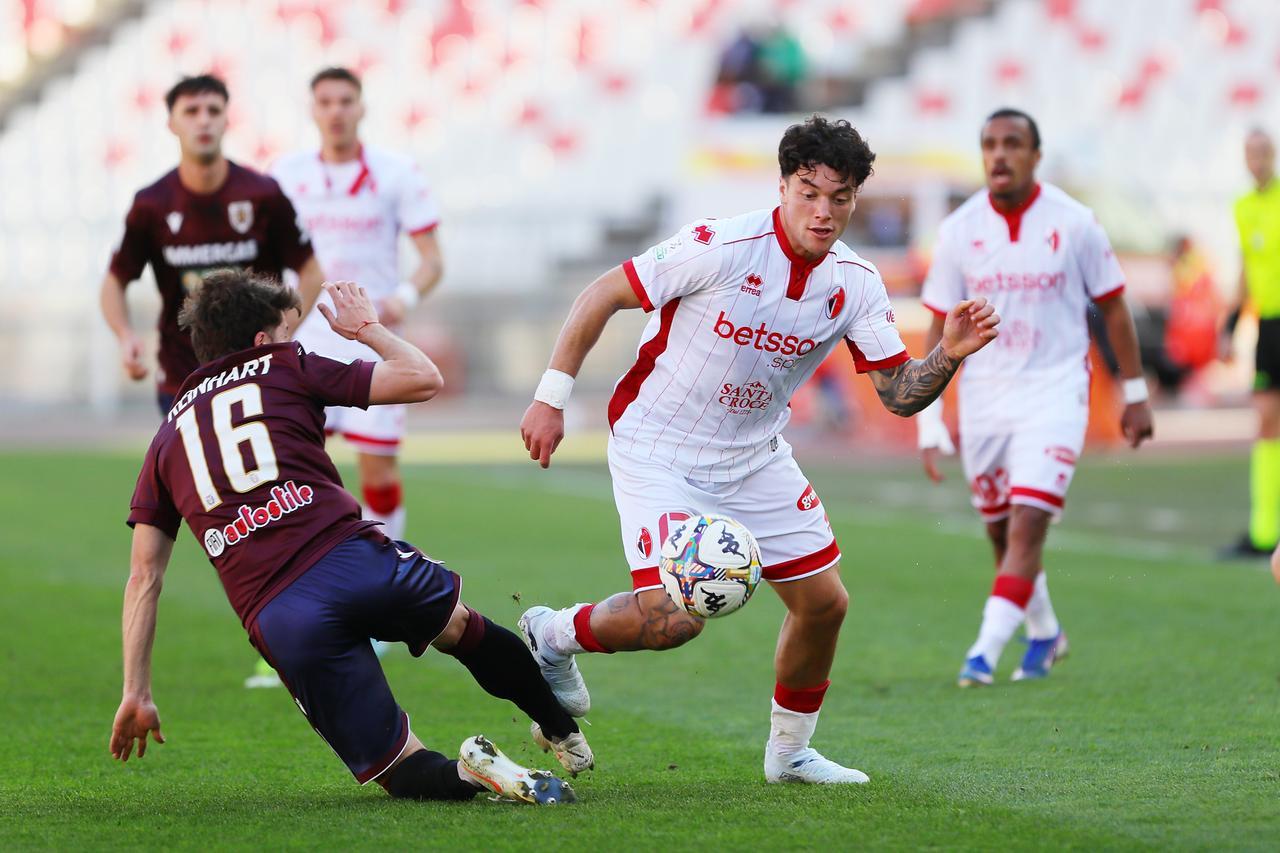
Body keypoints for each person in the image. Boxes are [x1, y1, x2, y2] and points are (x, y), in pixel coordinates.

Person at [517, 116, 999, 785]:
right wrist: (550, 394)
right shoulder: (723, 244)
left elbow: (897, 393)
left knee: (826, 603)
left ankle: (790, 755)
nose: (824, 211)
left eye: (840, 196)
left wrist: (948, 353)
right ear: (782, 186)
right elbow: (603, 293)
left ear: (856, 197)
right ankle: (553, 633)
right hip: (660, 448)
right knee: (674, 621)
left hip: (755, 457)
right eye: (809, 192)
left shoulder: (856, 283)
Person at [109, 272, 590, 805]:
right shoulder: (284, 366)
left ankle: (476, 774)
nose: (295, 340)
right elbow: (422, 378)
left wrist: (136, 691)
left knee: (400, 770)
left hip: (280, 615)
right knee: (460, 627)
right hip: (352, 559)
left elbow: (144, 577)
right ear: (263, 342)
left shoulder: (164, 440)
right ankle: (560, 728)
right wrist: (368, 330)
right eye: (289, 329)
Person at [915, 108, 1154, 687]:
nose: (1000, 154)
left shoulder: (1075, 222)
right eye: (990, 144)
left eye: (1013, 144)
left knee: (1026, 527)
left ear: (1035, 155)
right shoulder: (959, 230)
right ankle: (1046, 633)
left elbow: (1114, 306)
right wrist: (929, 418)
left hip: (1055, 393)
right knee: (1000, 531)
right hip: (986, 398)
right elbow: (939, 324)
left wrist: (1136, 390)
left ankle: (984, 651)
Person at [272, 67, 444, 543]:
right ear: (313, 109)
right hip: (304, 339)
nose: (336, 112)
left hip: (371, 337)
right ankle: (309, 572)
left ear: (362, 107)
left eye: (345, 101)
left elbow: (432, 261)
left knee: (379, 474)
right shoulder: (286, 175)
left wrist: (400, 300)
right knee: (299, 473)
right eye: (325, 102)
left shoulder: (397, 172)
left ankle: (391, 579)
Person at [100, 74, 325, 414]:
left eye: (213, 110)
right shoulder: (151, 204)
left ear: (226, 119)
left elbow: (311, 270)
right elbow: (115, 280)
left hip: (260, 370)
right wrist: (125, 335)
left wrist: (286, 329)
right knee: (193, 470)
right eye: (191, 111)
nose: (203, 120)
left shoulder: (263, 194)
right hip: (183, 377)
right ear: (171, 123)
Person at [1220, 129, 1280, 559]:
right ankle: (1264, 533)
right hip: (1269, 327)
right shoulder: (1241, 208)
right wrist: (1230, 323)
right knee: (1266, 422)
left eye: (1262, 153)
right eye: (1250, 155)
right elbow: (1244, 268)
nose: (1256, 161)